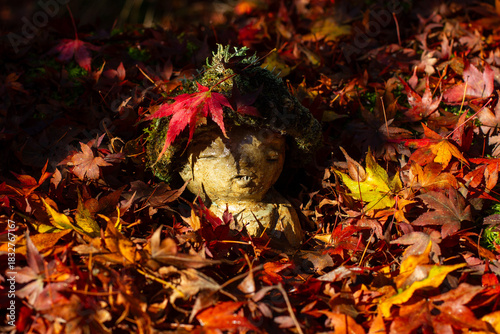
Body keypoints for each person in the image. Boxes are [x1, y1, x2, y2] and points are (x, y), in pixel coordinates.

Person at [146, 45, 321, 247]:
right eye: (211, 155)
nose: (241, 166)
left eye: (270, 156)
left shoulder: (278, 209)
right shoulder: (199, 214)